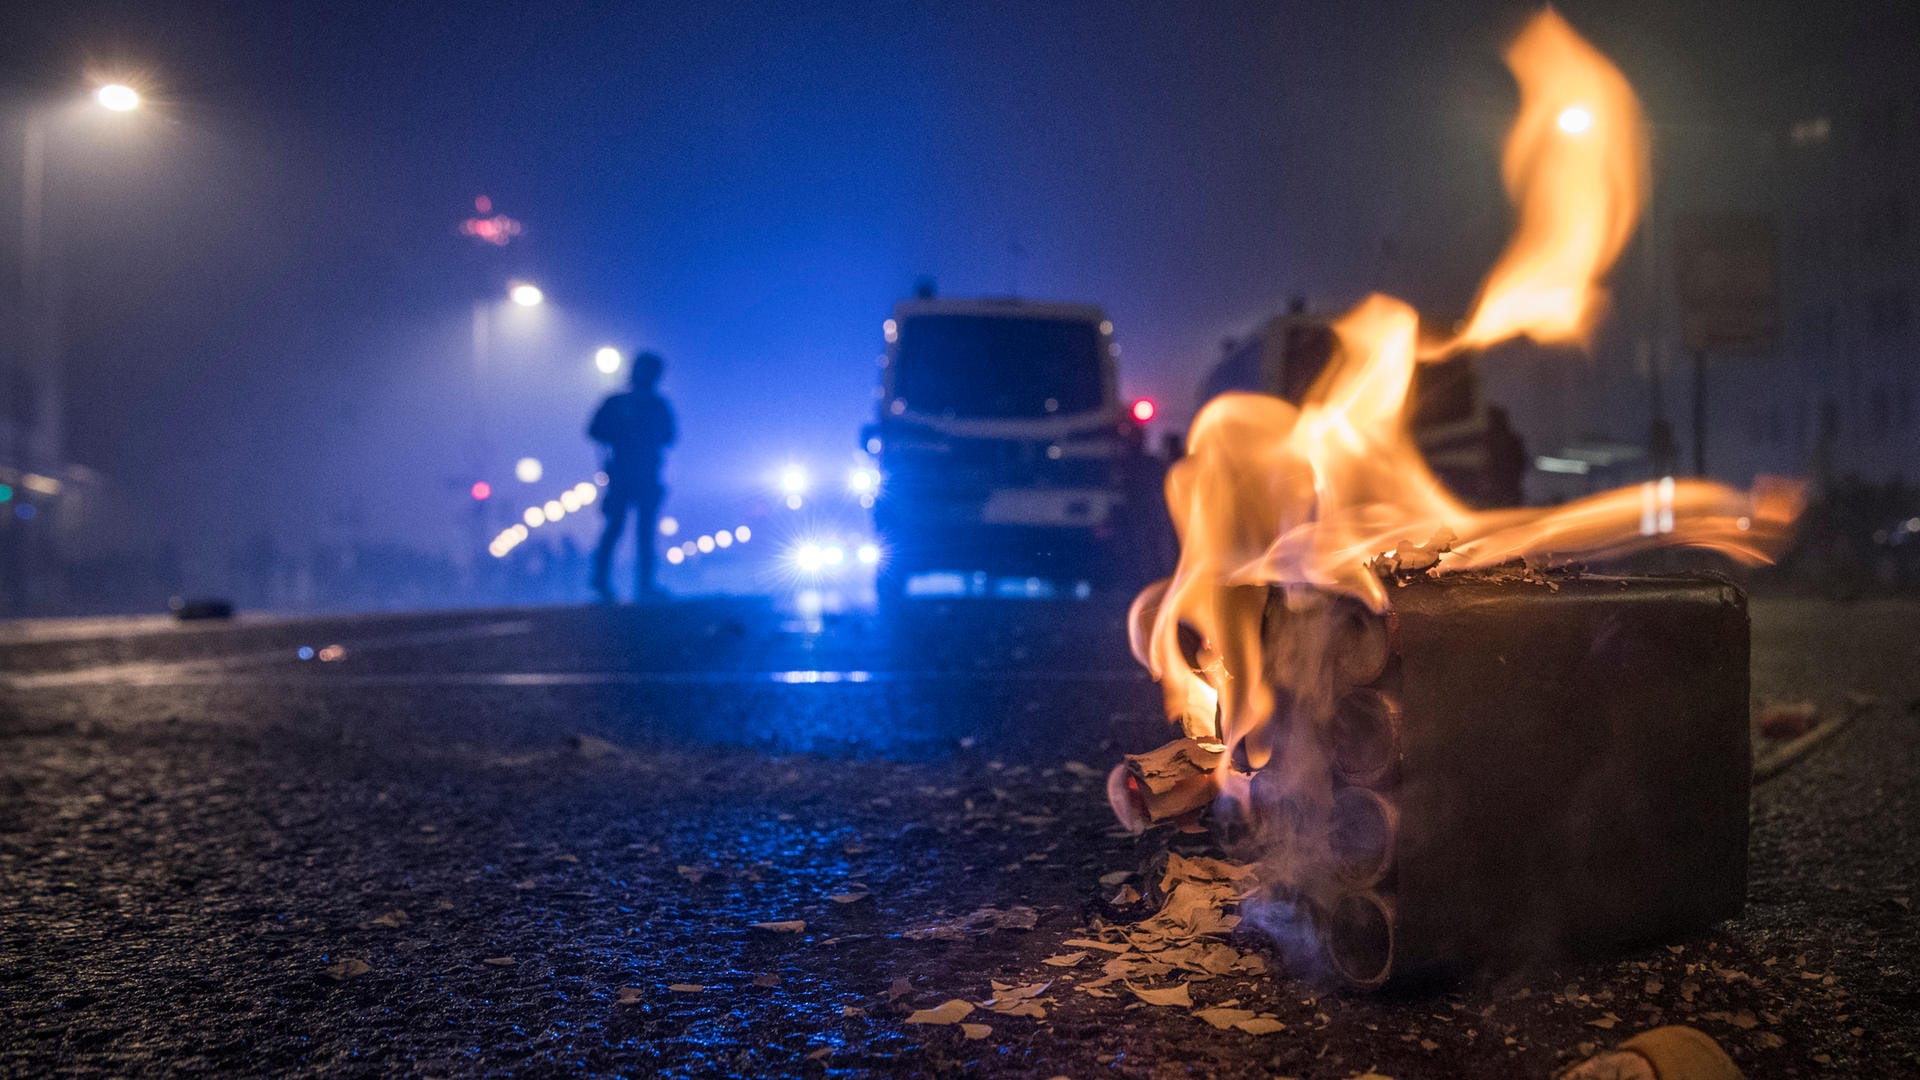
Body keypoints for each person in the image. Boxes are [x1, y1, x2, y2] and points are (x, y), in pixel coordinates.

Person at [588, 351, 676, 602]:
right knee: (620, 527)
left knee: (640, 530)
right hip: (625, 474)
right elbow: (595, 430)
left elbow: (669, 435)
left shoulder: (654, 404)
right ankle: (606, 581)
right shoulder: (623, 403)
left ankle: (639, 584)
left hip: (643, 474)